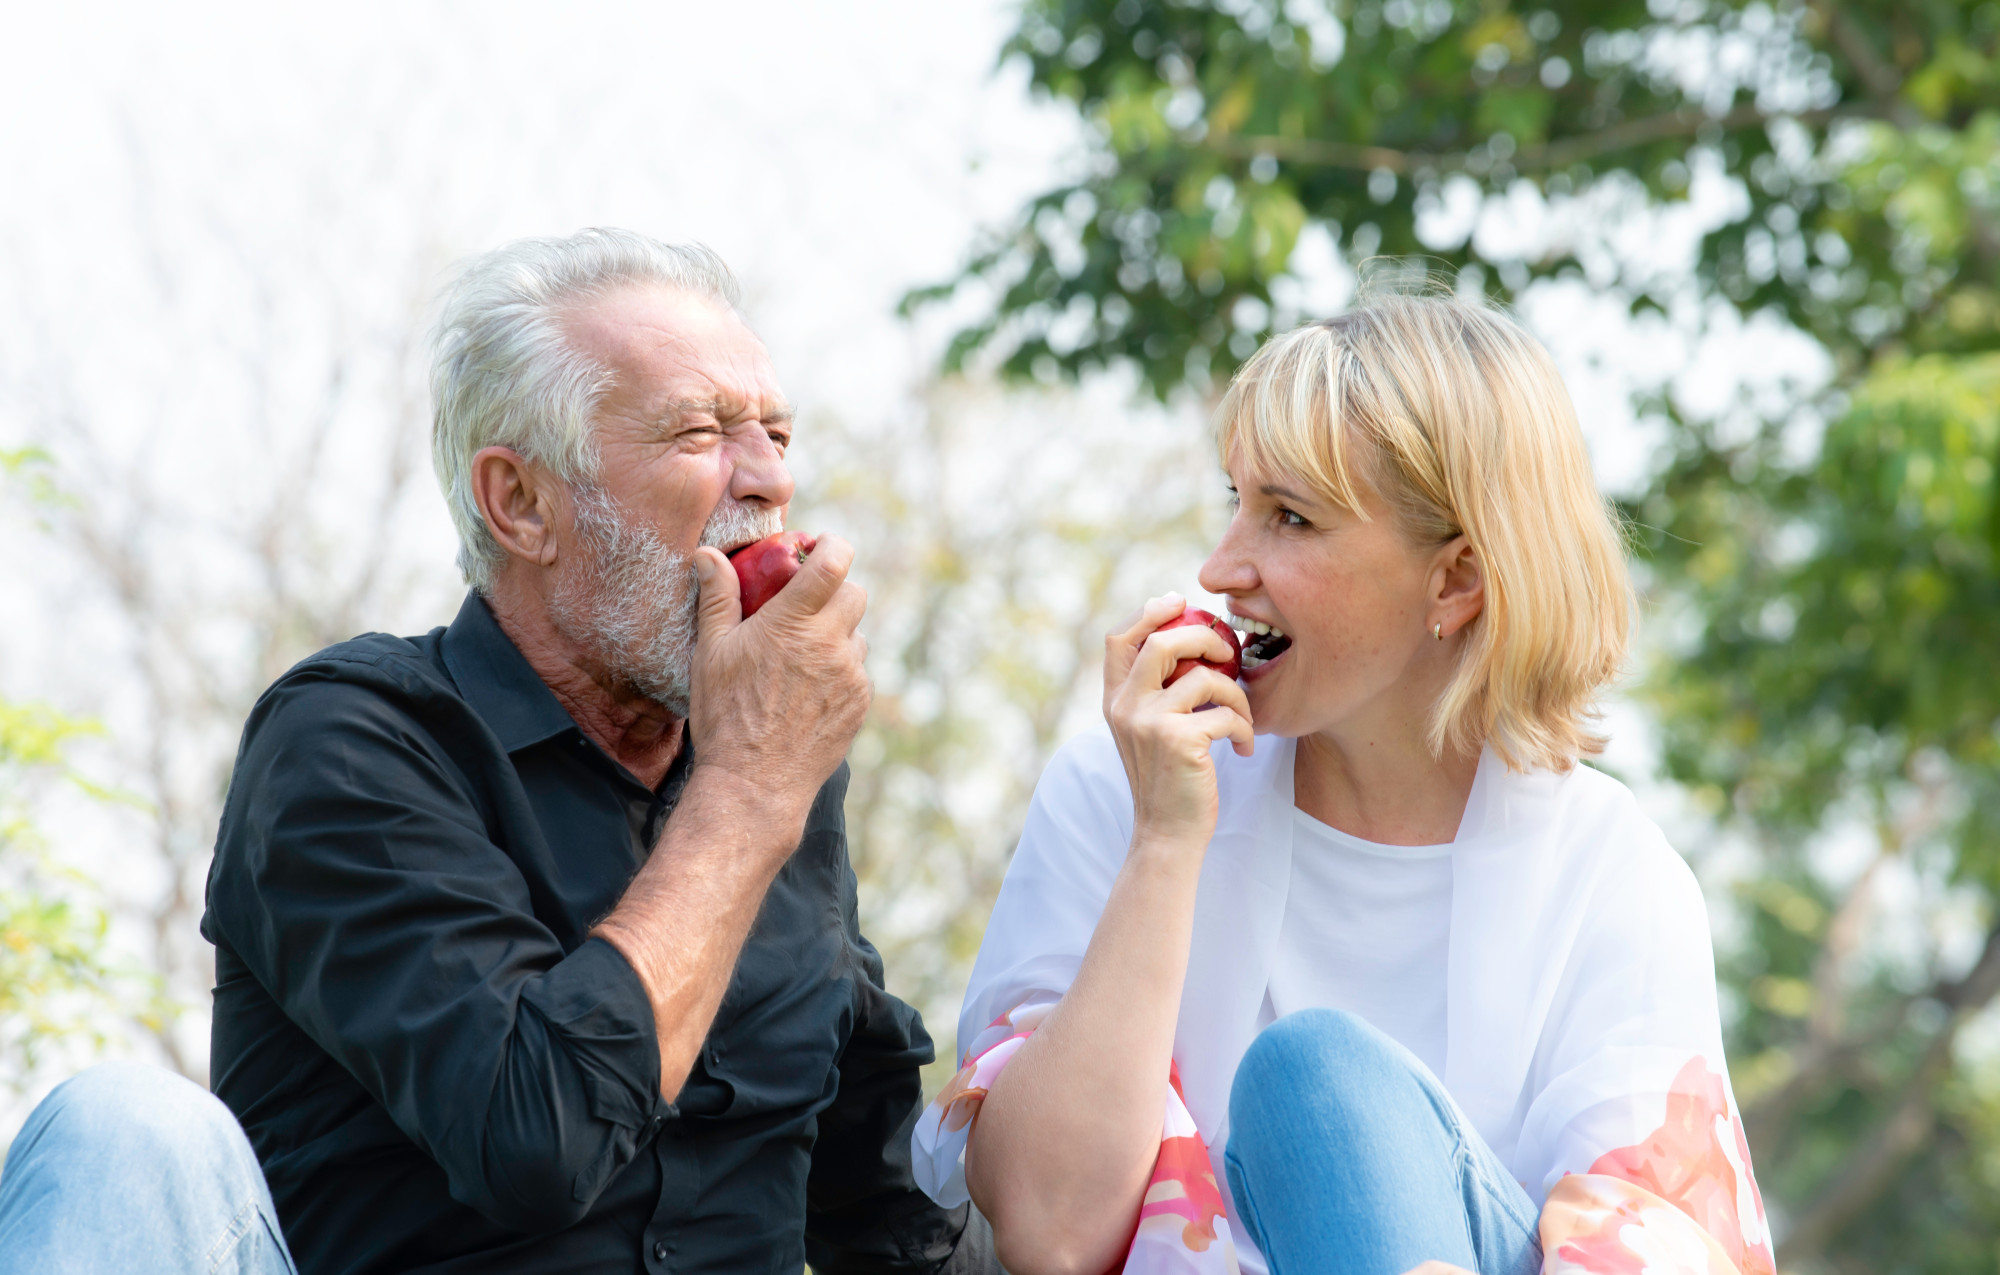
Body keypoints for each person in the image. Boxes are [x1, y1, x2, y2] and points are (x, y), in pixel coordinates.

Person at [0, 228, 994, 1275]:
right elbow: (536, 1139)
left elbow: (883, 1209)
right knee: (122, 1126)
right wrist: (748, 798)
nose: (766, 481)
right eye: (701, 432)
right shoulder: (352, 746)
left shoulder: (771, 769)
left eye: (777, 435)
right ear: (519, 502)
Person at [911, 293, 1775, 1275]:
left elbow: (1654, 1247)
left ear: (1452, 581)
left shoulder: (1612, 875)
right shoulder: (1116, 795)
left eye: (1288, 517)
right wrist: (1162, 844)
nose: (1220, 566)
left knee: (1317, 1088)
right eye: (1231, 502)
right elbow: (1048, 1230)